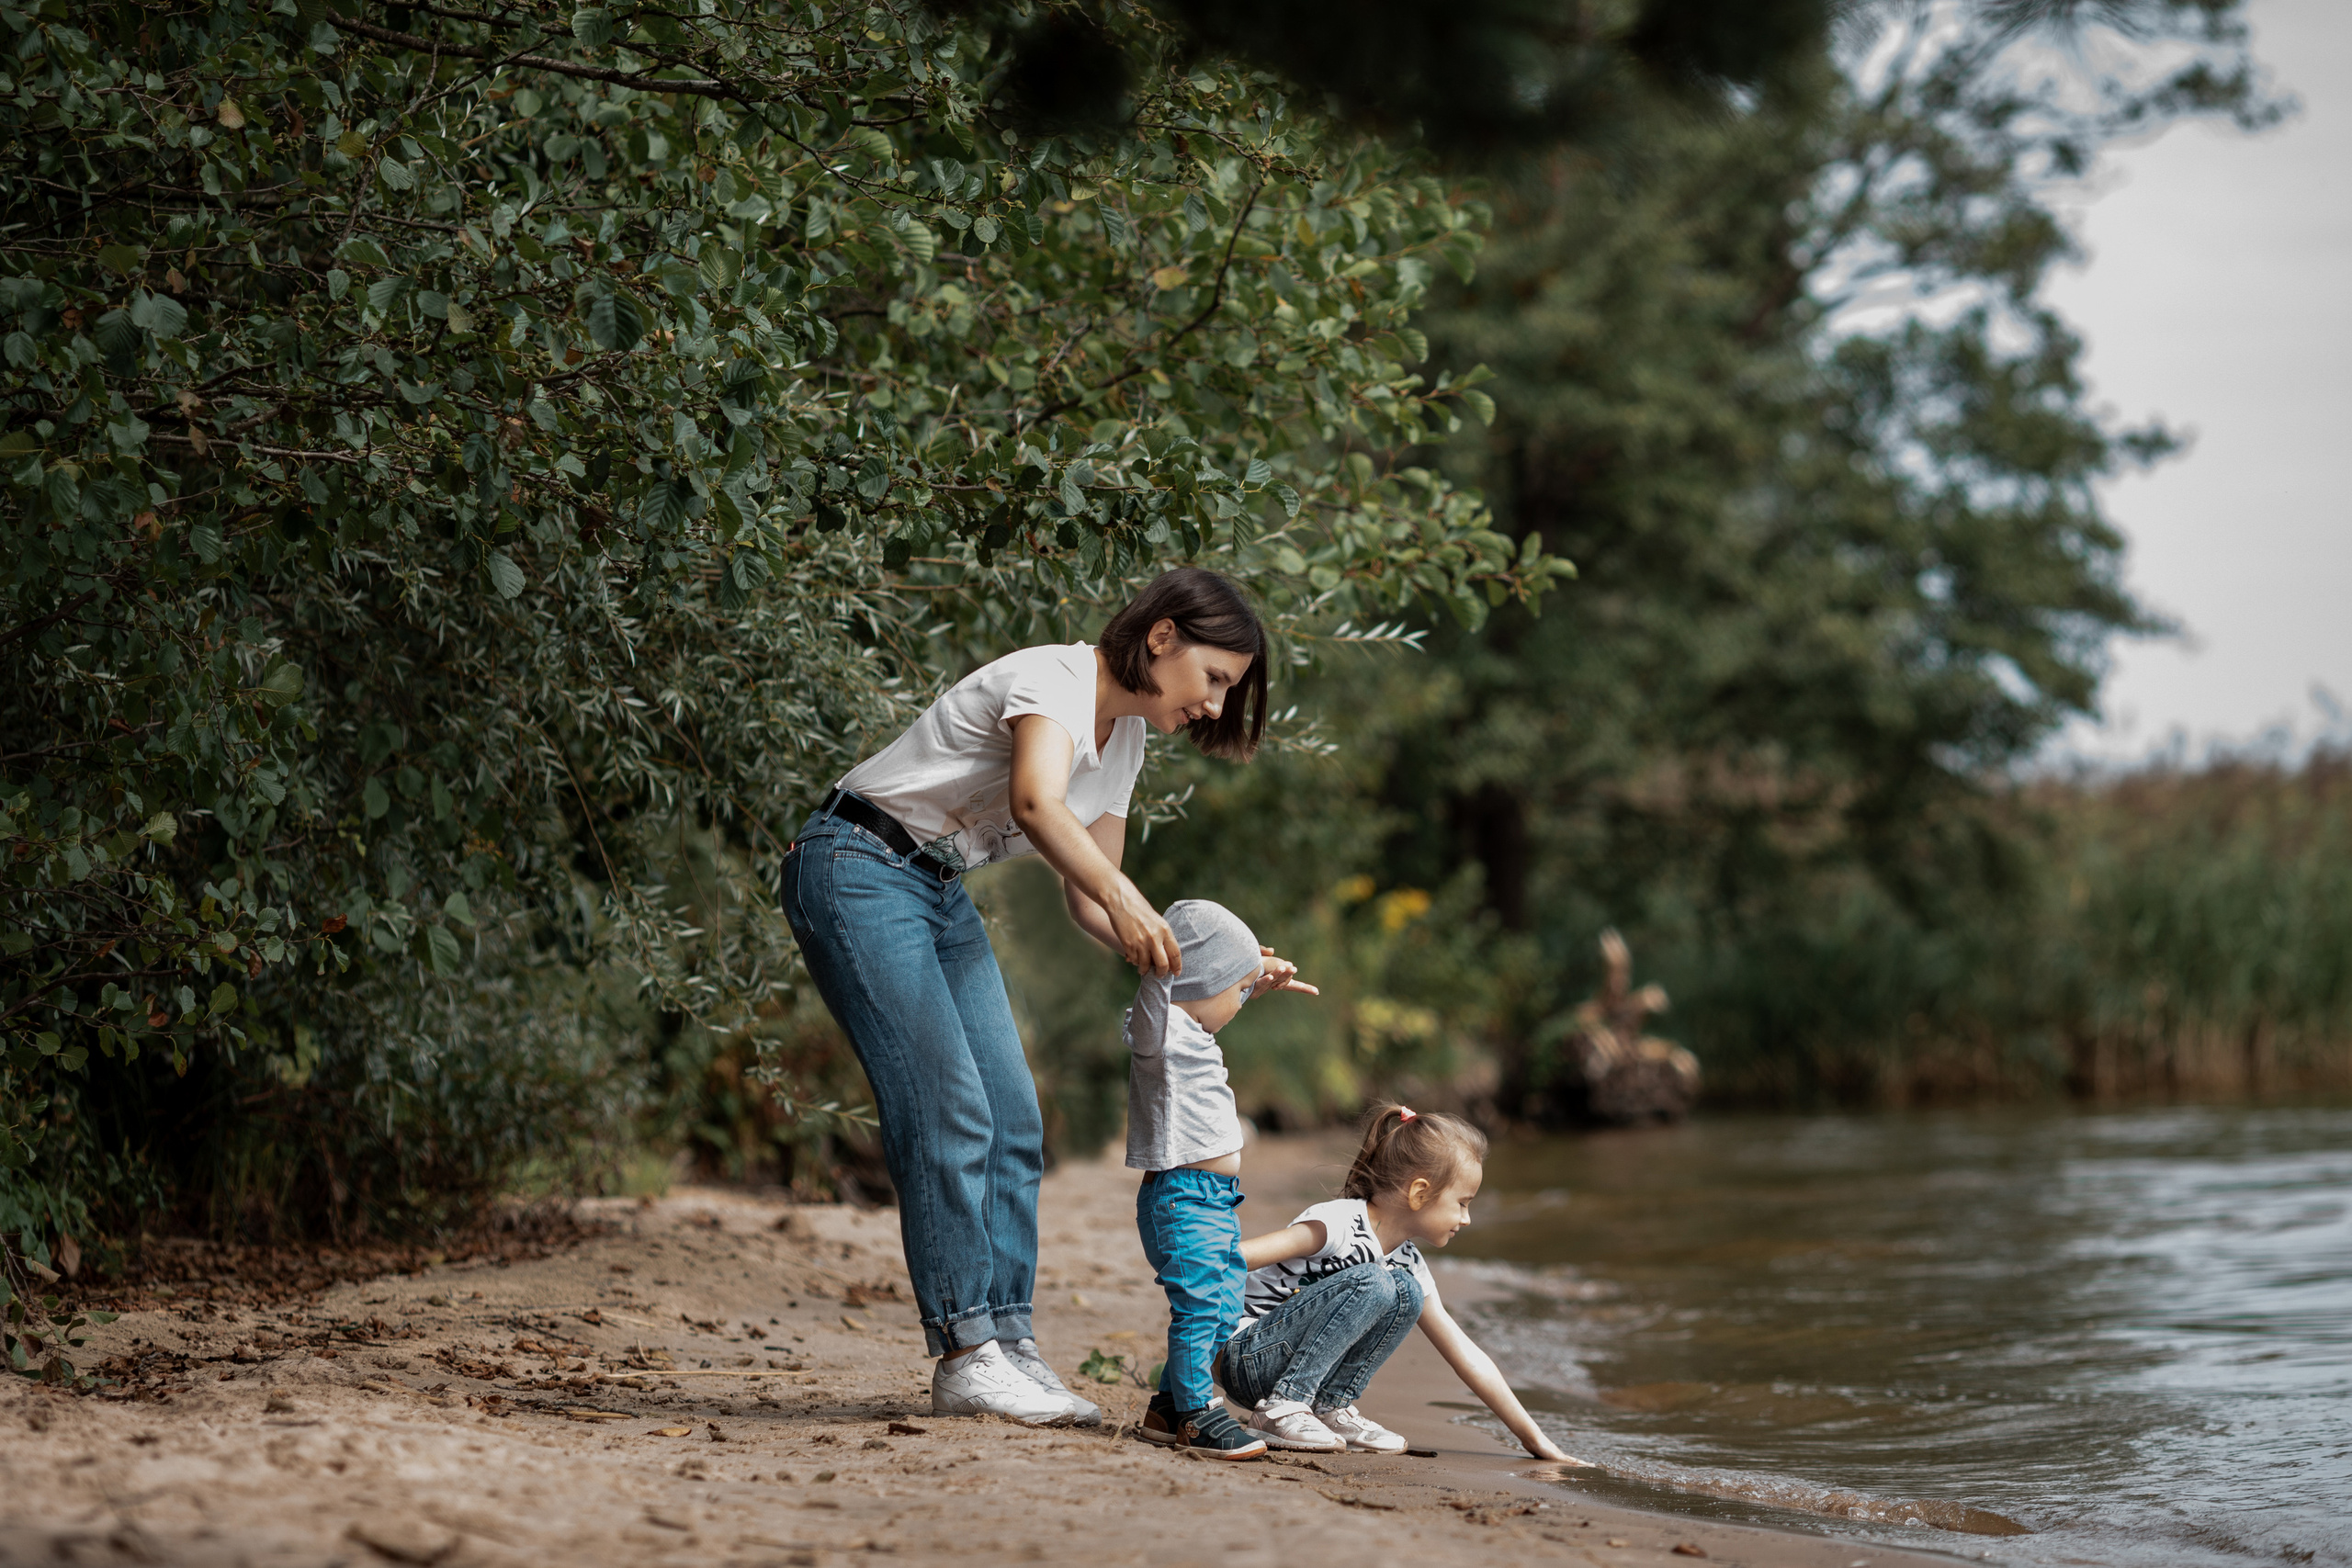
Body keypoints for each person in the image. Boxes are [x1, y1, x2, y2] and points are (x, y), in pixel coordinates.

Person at [778, 568, 1301, 1426]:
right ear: (1163, 636)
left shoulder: (1125, 739)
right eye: (1214, 679)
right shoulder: (1054, 679)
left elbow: (1092, 900)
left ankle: (1007, 1342)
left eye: (1228, 692)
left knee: (1014, 1116)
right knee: (949, 1108)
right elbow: (1035, 800)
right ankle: (963, 1350)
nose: (1212, 705)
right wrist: (1130, 901)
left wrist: (1218, 968)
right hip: (855, 864)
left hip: (935, 886)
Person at [1222, 1105, 1586, 1461]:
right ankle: (1283, 1408)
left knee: (1406, 1291)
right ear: (1419, 1193)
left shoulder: (1407, 1262)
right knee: (1377, 1282)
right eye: (1462, 1203)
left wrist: (1535, 1440)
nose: (1467, 1218)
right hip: (1247, 1358)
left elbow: (1466, 1355)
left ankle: (1328, 1407)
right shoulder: (1337, 1224)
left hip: (1298, 1376)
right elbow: (1233, 1259)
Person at [1125, 899, 1317, 1460]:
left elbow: (1214, 983)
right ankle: (1196, 1413)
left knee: (1224, 1303)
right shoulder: (1160, 1032)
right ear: (1190, 978)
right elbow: (1177, 985)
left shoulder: (1194, 1029)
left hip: (1213, 1201)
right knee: (1201, 1307)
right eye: (1237, 990)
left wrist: (1258, 975)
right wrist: (1163, 967)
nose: (1242, 1000)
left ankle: (1166, 1408)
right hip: (1183, 1198)